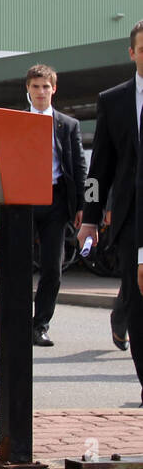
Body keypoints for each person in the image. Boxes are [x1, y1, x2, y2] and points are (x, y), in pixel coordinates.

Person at [81, 23, 143, 396]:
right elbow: (99, 167)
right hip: (131, 220)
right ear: (132, 53)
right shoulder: (114, 100)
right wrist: (90, 217)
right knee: (137, 309)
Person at [26, 64, 86, 347]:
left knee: (53, 267)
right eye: (36, 86)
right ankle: (16, 321)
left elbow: (79, 166)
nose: (41, 92)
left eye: (45, 86)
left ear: (54, 89)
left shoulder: (68, 125)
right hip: (22, 202)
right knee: (18, 266)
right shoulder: (15, 121)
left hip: (56, 202)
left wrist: (85, 206)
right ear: (28, 89)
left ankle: (40, 325)